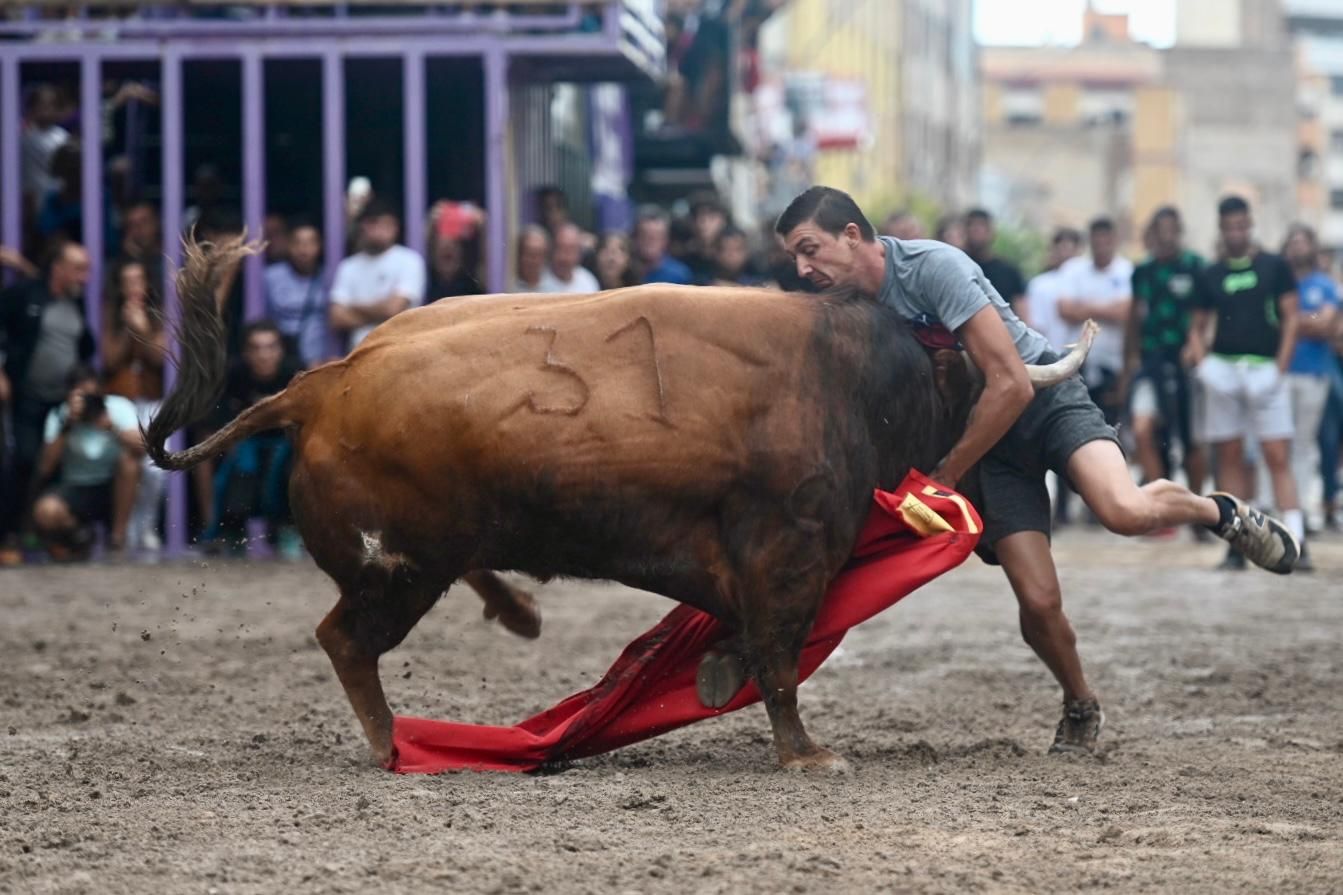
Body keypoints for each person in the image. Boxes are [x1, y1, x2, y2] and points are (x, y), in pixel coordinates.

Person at [775, 186, 1299, 755]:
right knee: (1039, 600)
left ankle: (1214, 510)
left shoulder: (932, 266)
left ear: (851, 235)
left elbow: (1013, 384)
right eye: (794, 259)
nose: (804, 269)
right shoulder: (849, 308)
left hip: (1042, 397)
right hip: (985, 441)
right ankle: (1080, 703)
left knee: (1123, 511)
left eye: (810, 250)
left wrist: (946, 476)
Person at [1185, 195, 1304, 571]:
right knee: (1229, 455)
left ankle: (1296, 540)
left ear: (1249, 225)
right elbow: (1196, 327)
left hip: (1264, 368)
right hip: (1223, 369)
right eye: (1230, 227)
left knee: (1277, 454)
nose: (1236, 233)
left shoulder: (1274, 266)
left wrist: (1280, 367)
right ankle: (1237, 544)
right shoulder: (1211, 273)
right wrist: (1203, 365)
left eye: (1242, 225)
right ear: (1221, 229)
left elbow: (1292, 318)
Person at [0, 241, 95, 565]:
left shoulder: (75, 304)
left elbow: (84, 348)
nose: (86, 277)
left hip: (61, 401)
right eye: (79, 269)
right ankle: (8, 538)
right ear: (59, 268)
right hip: (27, 397)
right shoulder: (25, 295)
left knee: (59, 468)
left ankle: (53, 539)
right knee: (24, 462)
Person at [1125, 207, 1207, 525]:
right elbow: (1134, 316)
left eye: (1172, 228)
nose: (1166, 235)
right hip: (1151, 360)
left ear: (1179, 231)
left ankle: (1199, 514)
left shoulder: (1195, 267)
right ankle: (1162, 511)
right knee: (1143, 429)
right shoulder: (1142, 271)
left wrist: (1197, 342)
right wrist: (1130, 361)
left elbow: (1205, 313)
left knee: (1192, 441)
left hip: (1187, 362)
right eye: (1160, 229)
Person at [201, 320, 302, 559]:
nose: (263, 355)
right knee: (236, 477)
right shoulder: (233, 374)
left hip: (286, 447)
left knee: (294, 474)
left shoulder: (297, 375)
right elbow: (216, 420)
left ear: (281, 350)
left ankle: (289, 531)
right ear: (246, 353)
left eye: (270, 347)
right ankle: (230, 533)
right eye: (256, 348)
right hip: (244, 447)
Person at [31, 365, 142, 559]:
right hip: (76, 485)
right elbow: (45, 466)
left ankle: (118, 537)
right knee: (45, 511)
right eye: (84, 398)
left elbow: (143, 448)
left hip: (113, 486)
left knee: (129, 462)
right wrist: (67, 425)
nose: (89, 403)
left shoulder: (118, 407)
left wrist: (111, 427)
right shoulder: (61, 414)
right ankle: (79, 536)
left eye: (93, 397)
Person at [101, 259, 168, 552]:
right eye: (127, 282)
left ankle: (148, 526)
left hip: (154, 398)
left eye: (137, 281)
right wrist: (128, 329)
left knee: (156, 467)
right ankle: (126, 529)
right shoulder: (111, 316)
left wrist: (142, 327)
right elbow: (110, 361)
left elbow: (159, 358)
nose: (133, 288)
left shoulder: (161, 315)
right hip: (123, 400)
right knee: (128, 462)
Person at [1282, 224, 1339, 547]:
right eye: (1293, 240)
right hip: (1283, 372)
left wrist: (1293, 322)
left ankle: (1299, 507)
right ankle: (1275, 506)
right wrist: (1308, 321)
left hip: (1314, 373)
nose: (1297, 246)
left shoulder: (1324, 284)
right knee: (1277, 444)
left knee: (1304, 445)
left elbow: (1327, 324)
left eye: (1303, 240)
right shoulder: (1281, 282)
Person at [1058, 217, 1133, 429]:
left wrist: (1084, 308)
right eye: (1096, 238)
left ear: (1114, 240)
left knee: (1108, 425)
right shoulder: (1073, 269)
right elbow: (1064, 309)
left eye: (1105, 238)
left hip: (1113, 364)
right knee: (1072, 422)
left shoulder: (1127, 271)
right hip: (1075, 363)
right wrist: (1108, 308)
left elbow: (1126, 312)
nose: (1101, 244)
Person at [328, 201, 425, 353]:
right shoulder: (348, 266)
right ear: (363, 226)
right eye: (373, 223)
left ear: (395, 227)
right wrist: (382, 311)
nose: (380, 230)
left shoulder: (409, 260)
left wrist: (353, 307)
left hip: (400, 352)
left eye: (386, 224)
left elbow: (393, 309)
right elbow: (337, 317)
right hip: (358, 355)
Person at [263, 219, 329, 368]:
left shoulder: (329, 276)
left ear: (320, 246)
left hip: (320, 361)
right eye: (297, 242)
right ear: (288, 245)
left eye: (310, 242)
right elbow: (262, 318)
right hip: (281, 361)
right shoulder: (270, 276)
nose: (303, 249)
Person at [964, 208, 1026, 318]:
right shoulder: (957, 267)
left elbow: (1021, 311)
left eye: (981, 225)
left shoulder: (1009, 272)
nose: (976, 230)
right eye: (971, 225)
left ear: (992, 232)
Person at [633, 210, 693, 285]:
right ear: (635, 238)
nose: (650, 241)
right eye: (644, 235)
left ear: (666, 240)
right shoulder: (623, 271)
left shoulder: (680, 276)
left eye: (657, 236)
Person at [541, 223, 600, 294]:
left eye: (570, 251)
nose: (564, 257)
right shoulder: (538, 280)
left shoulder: (588, 282)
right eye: (560, 248)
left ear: (579, 254)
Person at [512, 225, 551, 293]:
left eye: (538, 254)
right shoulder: (510, 287)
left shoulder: (553, 288)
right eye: (529, 254)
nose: (533, 261)